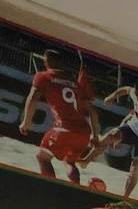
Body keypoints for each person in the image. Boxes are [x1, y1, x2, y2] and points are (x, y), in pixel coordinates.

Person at [19, 49, 97, 183]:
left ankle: (51, 188)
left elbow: (32, 98)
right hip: (83, 132)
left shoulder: (43, 76)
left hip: (64, 128)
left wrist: (26, 122)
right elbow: (92, 111)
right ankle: (75, 188)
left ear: (46, 62)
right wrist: (95, 135)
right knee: (69, 162)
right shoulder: (74, 81)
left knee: (42, 157)